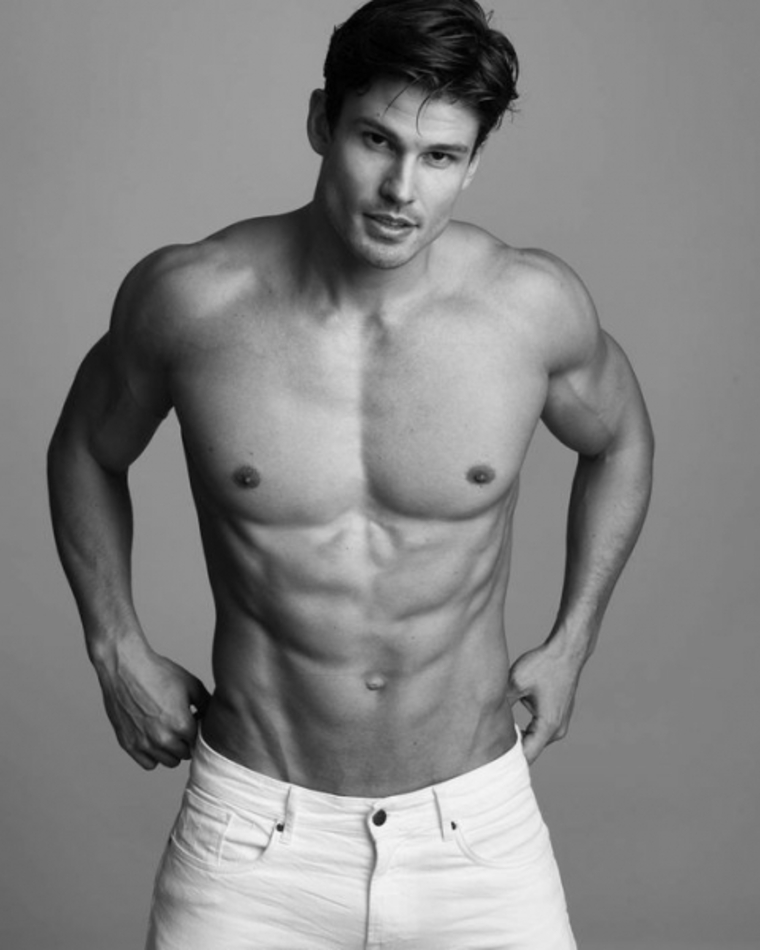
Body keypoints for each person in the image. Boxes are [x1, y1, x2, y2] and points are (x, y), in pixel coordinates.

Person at [47, 0, 654, 947]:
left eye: (441, 157)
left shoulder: (528, 309)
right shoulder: (193, 300)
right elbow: (86, 446)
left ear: (472, 165)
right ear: (320, 122)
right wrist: (114, 646)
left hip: (474, 834)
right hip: (253, 838)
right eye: (377, 140)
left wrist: (573, 642)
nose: (402, 189)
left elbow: (620, 439)